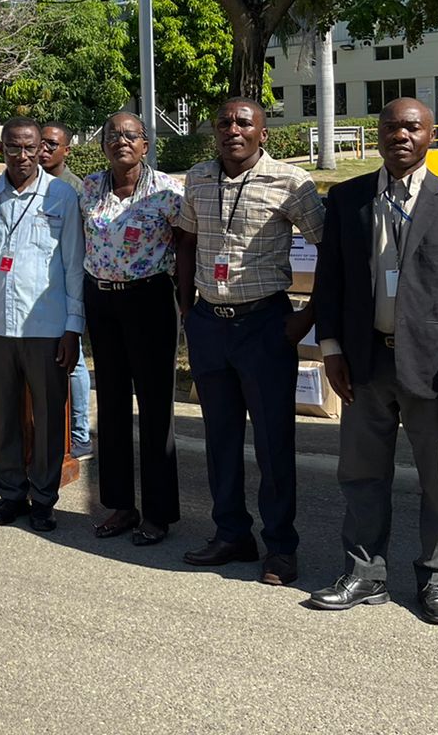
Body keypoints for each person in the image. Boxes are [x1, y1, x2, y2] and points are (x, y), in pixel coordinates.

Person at [307, 98, 438, 625]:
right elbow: (332, 283)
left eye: (412, 127)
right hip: (365, 364)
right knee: (361, 475)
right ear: (380, 134)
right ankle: (365, 574)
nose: (400, 135)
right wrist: (333, 349)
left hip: (437, 372)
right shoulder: (347, 199)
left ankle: (437, 581)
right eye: (390, 126)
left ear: (430, 135)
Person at [175, 97, 323, 587]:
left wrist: (308, 318)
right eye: (224, 122)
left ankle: (280, 547)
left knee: (273, 442)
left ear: (264, 133)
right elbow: (186, 245)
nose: (232, 129)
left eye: (244, 122)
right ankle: (231, 533)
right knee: (219, 439)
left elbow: (332, 250)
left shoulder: (292, 182)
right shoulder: (196, 178)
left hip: (265, 326)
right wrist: (186, 311)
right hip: (208, 325)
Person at [0, 117, 84, 531]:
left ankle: (44, 498)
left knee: (49, 418)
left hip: (46, 328)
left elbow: (73, 266)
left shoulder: (62, 197)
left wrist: (73, 327)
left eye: (32, 148)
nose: (25, 156)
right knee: (3, 414)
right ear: (1, 149)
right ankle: (11, 494)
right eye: (15, 148)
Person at [79, 112, 185, 547]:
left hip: (150, 300)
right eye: (112, 135)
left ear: (145, 144)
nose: (120, 141)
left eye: (130, 135)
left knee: (156, 407)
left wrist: (189, 305)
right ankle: (121, 505)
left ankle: (159, 513)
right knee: (114, 404)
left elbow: (187, 246)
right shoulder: (88, 188)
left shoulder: (168, 191)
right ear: (103, 144)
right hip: (102, 300)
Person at [40, 122, 92, 458]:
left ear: (66, 150)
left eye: (51, 145)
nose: (43, 150)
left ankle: (80, 434)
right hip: (40, 290)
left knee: (74, 363)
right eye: (40, 143)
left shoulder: (73, 189)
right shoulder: (33, 183)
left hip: (68, 286)